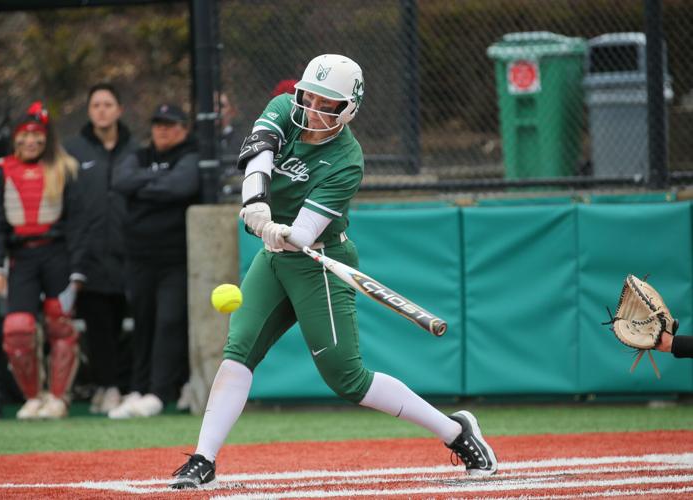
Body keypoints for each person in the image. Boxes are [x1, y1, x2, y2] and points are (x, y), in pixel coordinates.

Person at [169, 54, 498, 489]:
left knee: (347, 379)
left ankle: (456, 432)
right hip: (274, 260)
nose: (315, 110)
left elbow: (305, 234)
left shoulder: (347, 160)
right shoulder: (283, 108)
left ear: (348, 110)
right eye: (311, 98)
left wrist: (280, 231)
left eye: (329, 104)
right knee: (239, 350)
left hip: (320, 262)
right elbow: (258, 159)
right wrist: (257, 207)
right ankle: (203, 459)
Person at [0, 101, 86, 419]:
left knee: (60, 321)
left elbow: (78, 222)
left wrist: (78, 270)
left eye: (37, 135)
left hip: (57, 254)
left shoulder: (64, 168)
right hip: (20, 257)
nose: (30, 142)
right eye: (24, 136)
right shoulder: (2, 170)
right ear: (15, 139)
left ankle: (59, 398)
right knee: (17, 329)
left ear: (47, 138)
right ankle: (33, 397)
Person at [109, 103, 200, 418]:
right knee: (143, 321)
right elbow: (120, 181)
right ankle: (138, 388)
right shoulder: (139, 155)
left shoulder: (190, 155)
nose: (162, 130)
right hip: (138, 256)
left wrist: (143, 186)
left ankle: (160, 393)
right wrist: (157, 182)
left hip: (174, 257)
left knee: (169, 321)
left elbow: (182, 185)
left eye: (169, 124)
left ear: (183, 129)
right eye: (158, 124)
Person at [64, 83, 138, 414]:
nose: (102, 110)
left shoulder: (136, 149)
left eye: (108, 104)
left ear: (120, 109)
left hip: (130, 253)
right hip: (88, 256)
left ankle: (125, 386)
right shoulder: (72, 151)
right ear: (89, 111)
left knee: (130, 324)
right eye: (96, 105)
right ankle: (105, 386)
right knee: (98, 328)